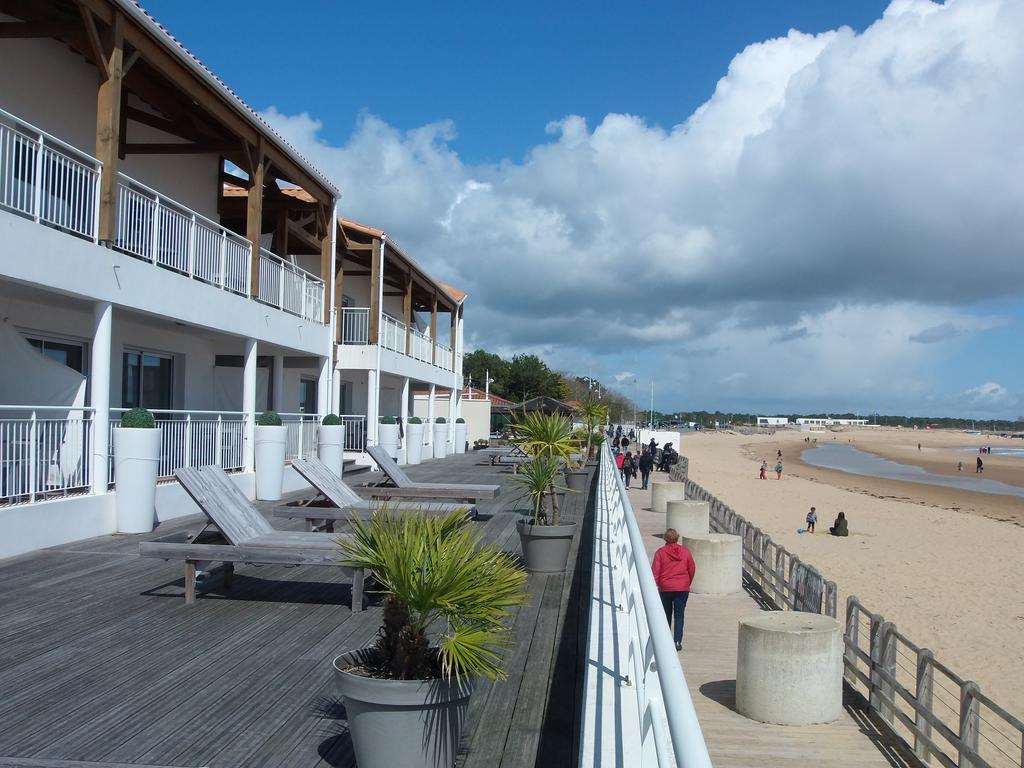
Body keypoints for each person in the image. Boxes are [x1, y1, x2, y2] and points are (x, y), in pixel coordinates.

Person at [651, 528, 695, 651]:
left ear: (665, 539)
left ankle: (665, 640)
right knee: (679, 615)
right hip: (682, 588)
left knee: (666, 614)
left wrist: (655, 587)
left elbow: (655, 572)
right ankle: (677, 641)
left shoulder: (660, 552)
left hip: (665, 588)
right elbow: (691, 568)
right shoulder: (685, 552)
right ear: (677, 538)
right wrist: (687, 583)